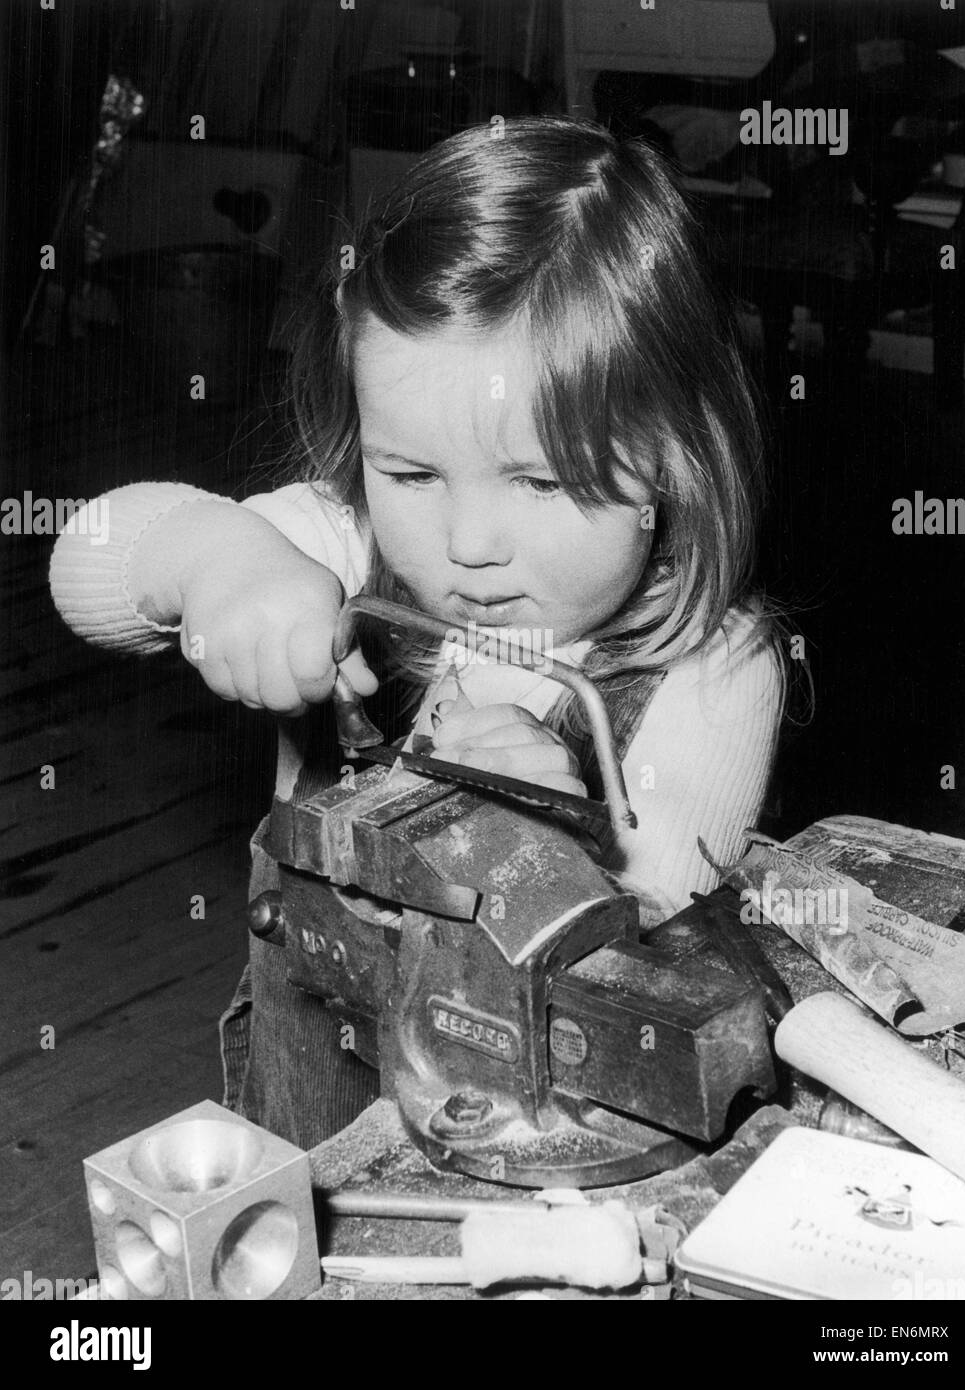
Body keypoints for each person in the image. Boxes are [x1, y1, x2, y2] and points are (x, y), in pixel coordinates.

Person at [50, 116, 785, 1149]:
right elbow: (86, 559)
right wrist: (221, 561)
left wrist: (564, 834)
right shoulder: (346, 552)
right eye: (410, 473)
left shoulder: (713, 666)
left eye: (544, 480)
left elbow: (672, 954)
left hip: (545, 1145)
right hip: (310, 1109)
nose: (466, 543)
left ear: (675, 462)